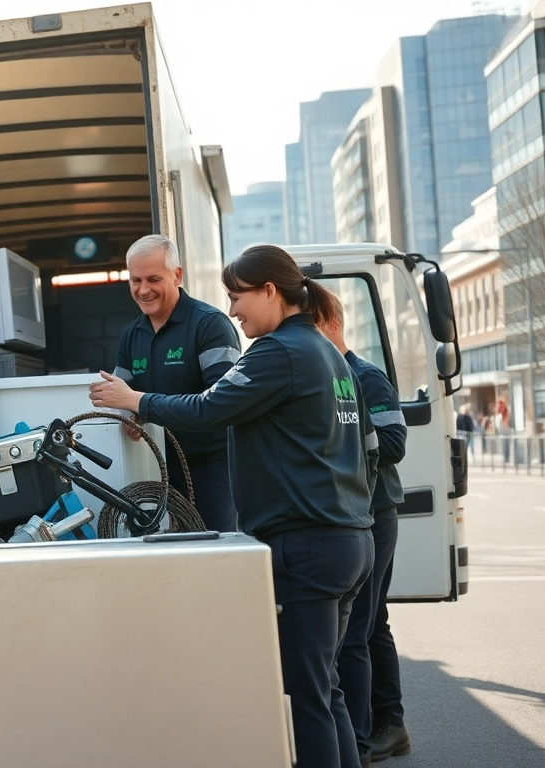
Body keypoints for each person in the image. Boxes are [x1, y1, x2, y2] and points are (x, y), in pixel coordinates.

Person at [90, 244, 378, 768]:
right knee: (325, 691)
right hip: (349, 537)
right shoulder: (329, 353)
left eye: (238, 295)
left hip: (307, 545)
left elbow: (211, 407)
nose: (232, 310)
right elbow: (367, 454)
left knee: (305, 699)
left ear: (270, 291)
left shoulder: (279, 352)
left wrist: (137, 401)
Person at [316, 290, 411, 764]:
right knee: (370, 625)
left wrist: (338, 439)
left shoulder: (365, 377)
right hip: (353, 513)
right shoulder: (325, 374)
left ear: (331, 323)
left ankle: (371, 732)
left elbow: (393, 442)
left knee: (362, 628)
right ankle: (386, 724)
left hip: (375, 514)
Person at [109, 234, 243, 531]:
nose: (143, 290)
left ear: (177, 275)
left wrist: (140, 404)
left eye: (153, 279)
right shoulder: (132, 336)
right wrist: (129, 416)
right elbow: (122, 400)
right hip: (156, 468)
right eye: (135, 280)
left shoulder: (210, 325)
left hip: (213, 467)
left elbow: (222, 405)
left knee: (213, 549)